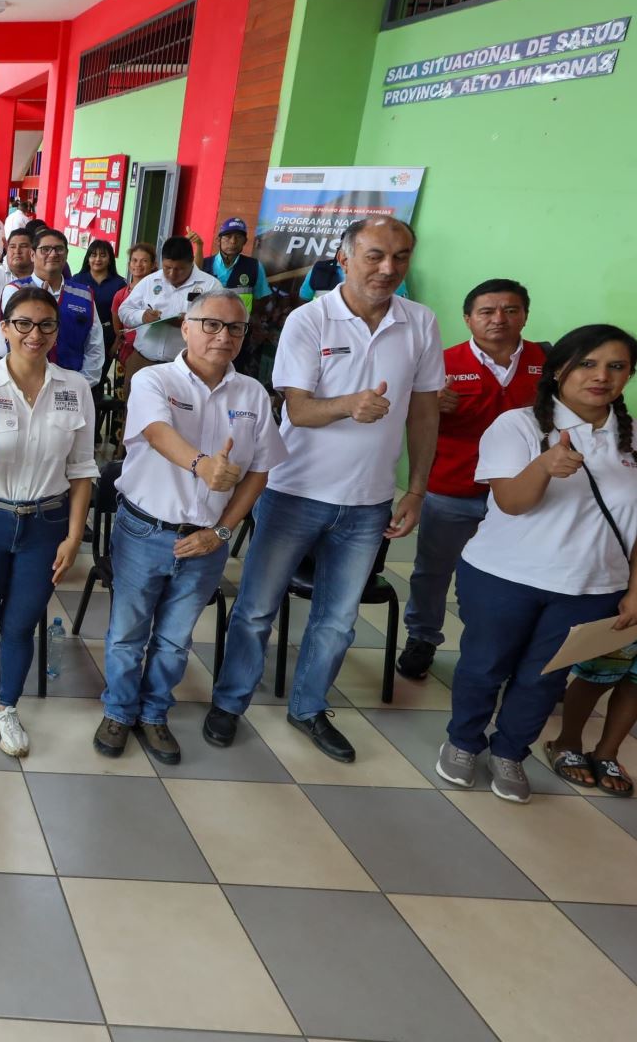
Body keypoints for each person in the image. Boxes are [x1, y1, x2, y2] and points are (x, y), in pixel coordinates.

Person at [206, 217, 442, 761]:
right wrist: (349, 405)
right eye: (375, 255)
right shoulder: (310, 320)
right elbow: (299, 408)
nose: (388, 268)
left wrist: (416, 490)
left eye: (401, 257)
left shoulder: (421, 323)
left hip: (369, 500)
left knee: (337, 620)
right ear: (345, 255)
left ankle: (309, 707)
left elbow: (424, 411)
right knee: (258, 608)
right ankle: (230, 700)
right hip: (295, 490)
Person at [437, 325, 637, 803]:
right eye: (587, 364)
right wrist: (544, 466)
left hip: (592, 586)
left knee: (544, 678)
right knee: (485, 665)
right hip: (504, 577)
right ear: (558, 370)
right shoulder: (519, 425)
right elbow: (511, 502)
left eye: (616, 367)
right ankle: (464, 743)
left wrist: (634, 590)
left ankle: (510, 752)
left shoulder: (631, 439)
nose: (601, 376)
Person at [94, 291, 284, 764]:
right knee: (126, 633)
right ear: (185, 327)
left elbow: (260, 470)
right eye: (211, 325)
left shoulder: (253, 395)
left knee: (176, 639)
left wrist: (220, 532)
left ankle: (155, 713)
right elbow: (157, 433)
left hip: (206, 541)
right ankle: (119, 710)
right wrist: (201, 465)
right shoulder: (154, 379)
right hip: (143, 530)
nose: (223, 336)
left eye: (235, 328)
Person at [0, 288, 96, 756]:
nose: (35, 334)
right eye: (24, 324)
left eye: (46, 325)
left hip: (46, 524)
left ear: (56, 331)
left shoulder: (75, 388)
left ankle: (6, 707)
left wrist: (74, 536)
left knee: (21, 623)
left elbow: (82, 469)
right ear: (5, 327)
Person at [397, 280, 543, 680]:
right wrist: (431, 407)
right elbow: (410, 421)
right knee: (433, 570)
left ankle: (499, 648)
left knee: (511, 576)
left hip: (521, 492)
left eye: (510, 310)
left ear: (525, 315)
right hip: (452, 488)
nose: (499, 319)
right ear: (468, 319)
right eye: (487, 311)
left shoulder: (548, 365)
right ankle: (422, 637)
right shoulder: (441, 363)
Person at [117, 235, 225, 368]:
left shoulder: (211, 286)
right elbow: (124, 311)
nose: (172, 274)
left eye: (179, 269)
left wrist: (190, 322)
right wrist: (143, 316)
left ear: (191, 261)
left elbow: (220, 322)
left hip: (186, 366)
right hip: (143, 360)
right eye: (167, 268)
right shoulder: (150, 281)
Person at [29, 228, 105, 385]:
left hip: (72, 387)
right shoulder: (17, 290)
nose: (53, 254)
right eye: (45, 249)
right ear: (32, 255)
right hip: (27, 384)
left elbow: (94, 346)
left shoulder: (84, 294)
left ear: (66, 255)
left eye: (59, 249)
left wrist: (80, 384)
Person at [0, 227, 37, 357]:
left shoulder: (40, 279)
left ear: (33, 251)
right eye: (12, 247)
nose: (17, 251)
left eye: (23, 246)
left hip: (30, 357)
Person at [201, 218, 272, 310]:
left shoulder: (254, 266)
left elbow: (263, 298)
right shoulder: (203, 264)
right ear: (218, 240)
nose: (233, 242)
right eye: (228, 237)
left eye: (238, 237)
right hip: (207, 320)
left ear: (245, 241)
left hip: (239, 322)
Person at [110, 242, 155, 372]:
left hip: (150, 353)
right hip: (127, 352)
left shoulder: (159, 293)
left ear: (153, 265)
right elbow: (118, 329)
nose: (138, 265)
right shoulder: (120, 295)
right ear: (129, 265)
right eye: (134, 260)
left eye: (144, 261)